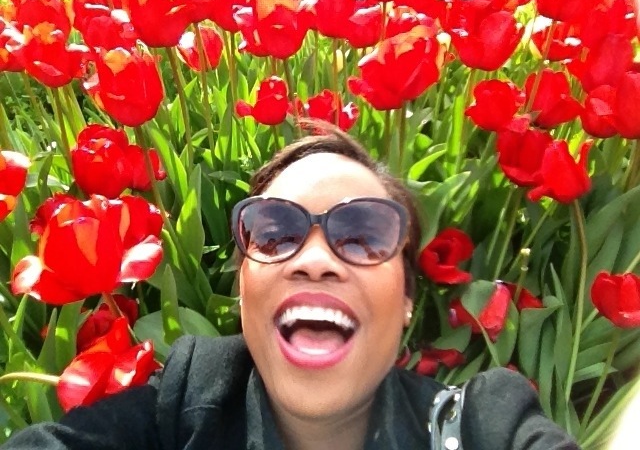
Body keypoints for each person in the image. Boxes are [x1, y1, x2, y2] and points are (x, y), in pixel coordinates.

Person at [1, 120, 579, 450]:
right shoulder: (176, 414)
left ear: (407, 301)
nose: (316, 259)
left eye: (365, 235)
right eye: (276, 233)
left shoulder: (481, 427)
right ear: (243, 290)